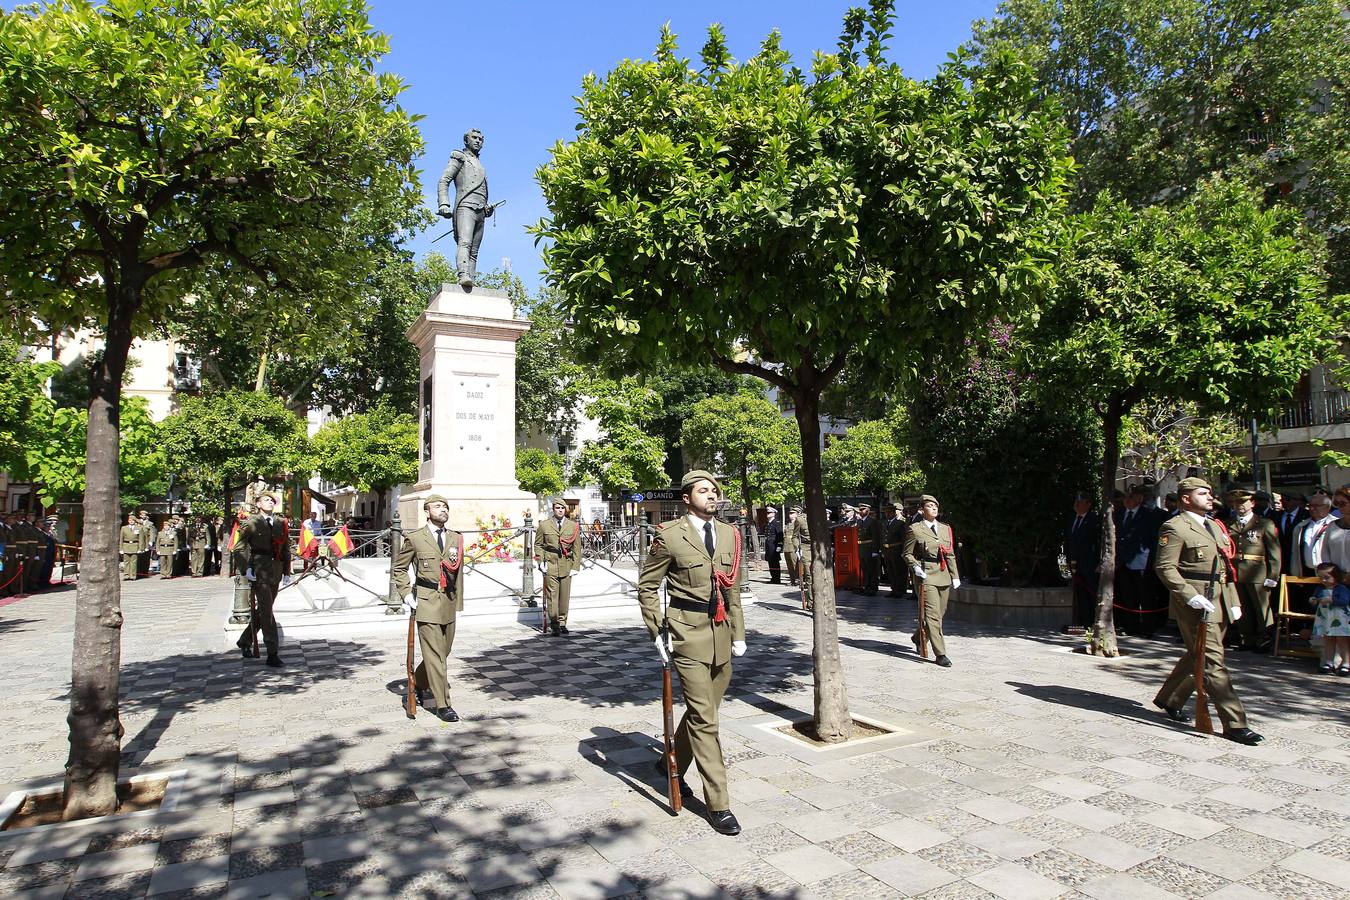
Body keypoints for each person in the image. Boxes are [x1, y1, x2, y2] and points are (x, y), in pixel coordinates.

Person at [638, 471, 746, 836]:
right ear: (687, 498)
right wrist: (658, 631)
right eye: (704, 490)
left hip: (721, 633)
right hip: (686, 633)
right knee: (706, 720)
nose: (712, 495)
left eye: (714, 490)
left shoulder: (731, 534)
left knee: (705, 712)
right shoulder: (669, 536)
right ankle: (719, 803)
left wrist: (739, 633)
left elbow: (733, 590)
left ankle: (670, 760)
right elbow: (648, 587)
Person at [1152, 477, 1263, 745]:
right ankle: (1235, 723)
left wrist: (1233, 600)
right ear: (1186, 498)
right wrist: (1189, 597)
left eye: (1210, 493)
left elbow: (1225, 567)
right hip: (1196, 602)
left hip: (1219, 598)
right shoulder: (1175, 526)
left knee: (1197, 653)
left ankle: (1170, 698)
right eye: (1203, 493)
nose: (1210, 497)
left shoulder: (1214, 525)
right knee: (1213, 661)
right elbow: (1165, 567)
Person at [392, 494, 465, 722]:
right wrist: (406, 595)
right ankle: (443, 704)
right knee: (435, 656)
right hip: (426, 600)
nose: (442, 509)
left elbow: (458, 573)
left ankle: (420, 683)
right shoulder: (415, 538)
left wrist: (458, 602)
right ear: (426, 512)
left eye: (445, 506)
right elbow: (399, 569)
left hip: (448, 602)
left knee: (443, 652)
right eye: (437, 506)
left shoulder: (455, 538)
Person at [234, 491, 291, 666]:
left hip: (276, 570)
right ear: (258, 504)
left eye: (272, 500)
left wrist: (287, 571)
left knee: (264, 609)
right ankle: (272, 653)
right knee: (266, 611)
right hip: (259, 570)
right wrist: (246, 569)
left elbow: (286, 548)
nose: (270, 502)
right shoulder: (251, 522)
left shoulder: (281, 522)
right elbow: (238, 548)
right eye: (266, 500)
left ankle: (244, 640)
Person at [903, 494, 960, 667]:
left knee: (940, 614)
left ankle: (917, 637)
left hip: (943, 574)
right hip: (926, 575)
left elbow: (949, 553)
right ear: (921, 510)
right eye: (929, 506)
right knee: (933, 616)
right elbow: (907, 553)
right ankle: (940, 654)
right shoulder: (915, 528)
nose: (934, 508)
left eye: (935, 506)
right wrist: (916, 568)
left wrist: (955, 575)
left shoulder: (944, 528)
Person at [436, 128, 494, 289]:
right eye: (474, 137)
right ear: (466, 140)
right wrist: (444, 203)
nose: (477, 141)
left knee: (474, 251)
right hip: (465, 207)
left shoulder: (480, 164)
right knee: (465, 243)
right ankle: (463, 275)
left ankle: (471, 280)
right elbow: (444, 180)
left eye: (480, 139)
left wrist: (487, 208)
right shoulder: (459, 158)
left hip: (481, 210)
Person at [1225, 489, 1280, 652]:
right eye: (1236, 503)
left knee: (1262, 608)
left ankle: (1266, 639)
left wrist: (1273, 575)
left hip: (1258, 572)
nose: (1239, 506)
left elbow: (1274, 552)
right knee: (1242, 608)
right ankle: (1246, 639)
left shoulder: (1264, 523)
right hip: (1236, 572)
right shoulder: (1228, 524)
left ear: (1252, 503)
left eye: (1243, 502)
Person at [1115, 485, 1164, 636]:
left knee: (1145, 596)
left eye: (1130, 497)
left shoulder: (1148, 515)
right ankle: (1132, 626)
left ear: (1139, 499)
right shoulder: (1119, 513)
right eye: (1125, 497)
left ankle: (1148, 628)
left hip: (1142, 561)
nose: (1126, 500)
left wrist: (1155, 560)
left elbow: (1154, 540)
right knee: (1128, 596)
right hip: (1123, 561)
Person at [536, 498, 581, 636]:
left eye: (562, 508)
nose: (560, 510)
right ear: (553, 509)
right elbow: (538, 545)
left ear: (565, 510)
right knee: (552, 596)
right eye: (557, 508)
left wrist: (575, 566)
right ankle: (554, 623)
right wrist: (540, 560)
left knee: (564, 596)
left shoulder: (573, 526)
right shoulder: (544, 525)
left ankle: (563, 622)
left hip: (566, 564)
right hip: (551, 563)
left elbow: (577, 547)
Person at [1288, 492, 1335, 613]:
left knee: (1329, 608)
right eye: (1310, 505)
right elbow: (1295, 552)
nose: (1312, 508)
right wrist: (1296, 573)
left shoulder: (1336, 524)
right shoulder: (1301, 526)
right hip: (1306, 573)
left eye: (1316, 505)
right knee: (1309, 606)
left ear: (1327, 507)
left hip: (1329, 575)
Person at [1064, 492, 1101, 629]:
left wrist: (1099, 562)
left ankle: (1092, 621)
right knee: (1080, 593)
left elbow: (1098, 543)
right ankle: (1083, 621)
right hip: (1075, 563)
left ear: (1088, 504)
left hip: (1090, 563)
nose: (1076, 504)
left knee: (1091, 592)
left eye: (1080, 502)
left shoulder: (1094, 519)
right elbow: (1068, 541)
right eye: (1076, 502)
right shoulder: (1072, 519)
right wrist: (1068, 559)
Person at [855, 502, 882, 596]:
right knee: (865, 570)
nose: (861, 511)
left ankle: (873, 588)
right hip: (862, 548)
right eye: (860, 510)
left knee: (872, 570)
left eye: (863, 509)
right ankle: (867, 587)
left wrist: (875, 551)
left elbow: (876, 537)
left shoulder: (872, 521)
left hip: (870, 548)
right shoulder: (859, 521)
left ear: (868, 510)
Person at [883, 503, 909, 599]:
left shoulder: (900, 523)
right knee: (891, 571)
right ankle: (894, 589)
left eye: (889, 512)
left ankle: (900, 590)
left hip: (897, 550)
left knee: (899, 571)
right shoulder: (885, 523)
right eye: (886, 513)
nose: (887, 514)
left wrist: (904, 552)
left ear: (894, 513)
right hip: (887, 551)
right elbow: (883, 537)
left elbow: (903, 539)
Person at [788, 504, 812, 610]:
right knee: (809, 574)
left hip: (819, 548)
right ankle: (811, 601)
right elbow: (795, 536)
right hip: (806, 548)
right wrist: (798, 548)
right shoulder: (800, 520)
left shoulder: (822, 518)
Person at [762, 507, 784, 585]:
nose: (768, 514)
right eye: (767, 513)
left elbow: (780, 535)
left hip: (774, 546)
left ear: (774, 514)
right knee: (770, 563)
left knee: (775, 563)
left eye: (769, 513)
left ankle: (777, 579)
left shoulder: (776, 523)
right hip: (769, 546)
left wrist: (779, 546)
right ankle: (773, 578)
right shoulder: (768, 523)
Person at [119, 513, 142, 581]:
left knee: (133, 562)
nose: (131, 521)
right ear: (128, 521)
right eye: (130, 520)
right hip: (126, 545)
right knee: (126, 561)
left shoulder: (139, 528)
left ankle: (133, 575)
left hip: (135, 545)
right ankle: (126, 575)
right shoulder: (124, 528)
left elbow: (140, 539)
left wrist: (140, 548)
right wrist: (121, 548)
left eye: (133, 520)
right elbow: (121, 538)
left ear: (135, 521)